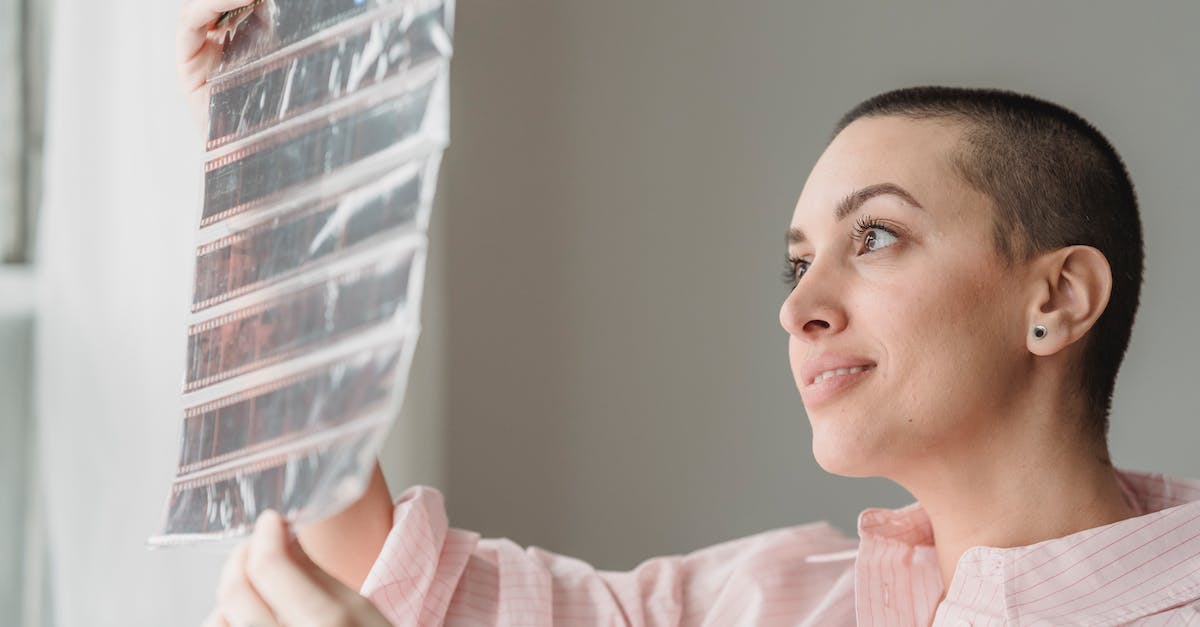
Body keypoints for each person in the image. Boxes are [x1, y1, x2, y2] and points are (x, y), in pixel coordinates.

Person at [181, 3, 1200, 625]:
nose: (801, 306)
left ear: (1056, 299)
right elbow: (409, 589)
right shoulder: (764, 601)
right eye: (796, 263)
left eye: (876, 237)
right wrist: (276, 167)